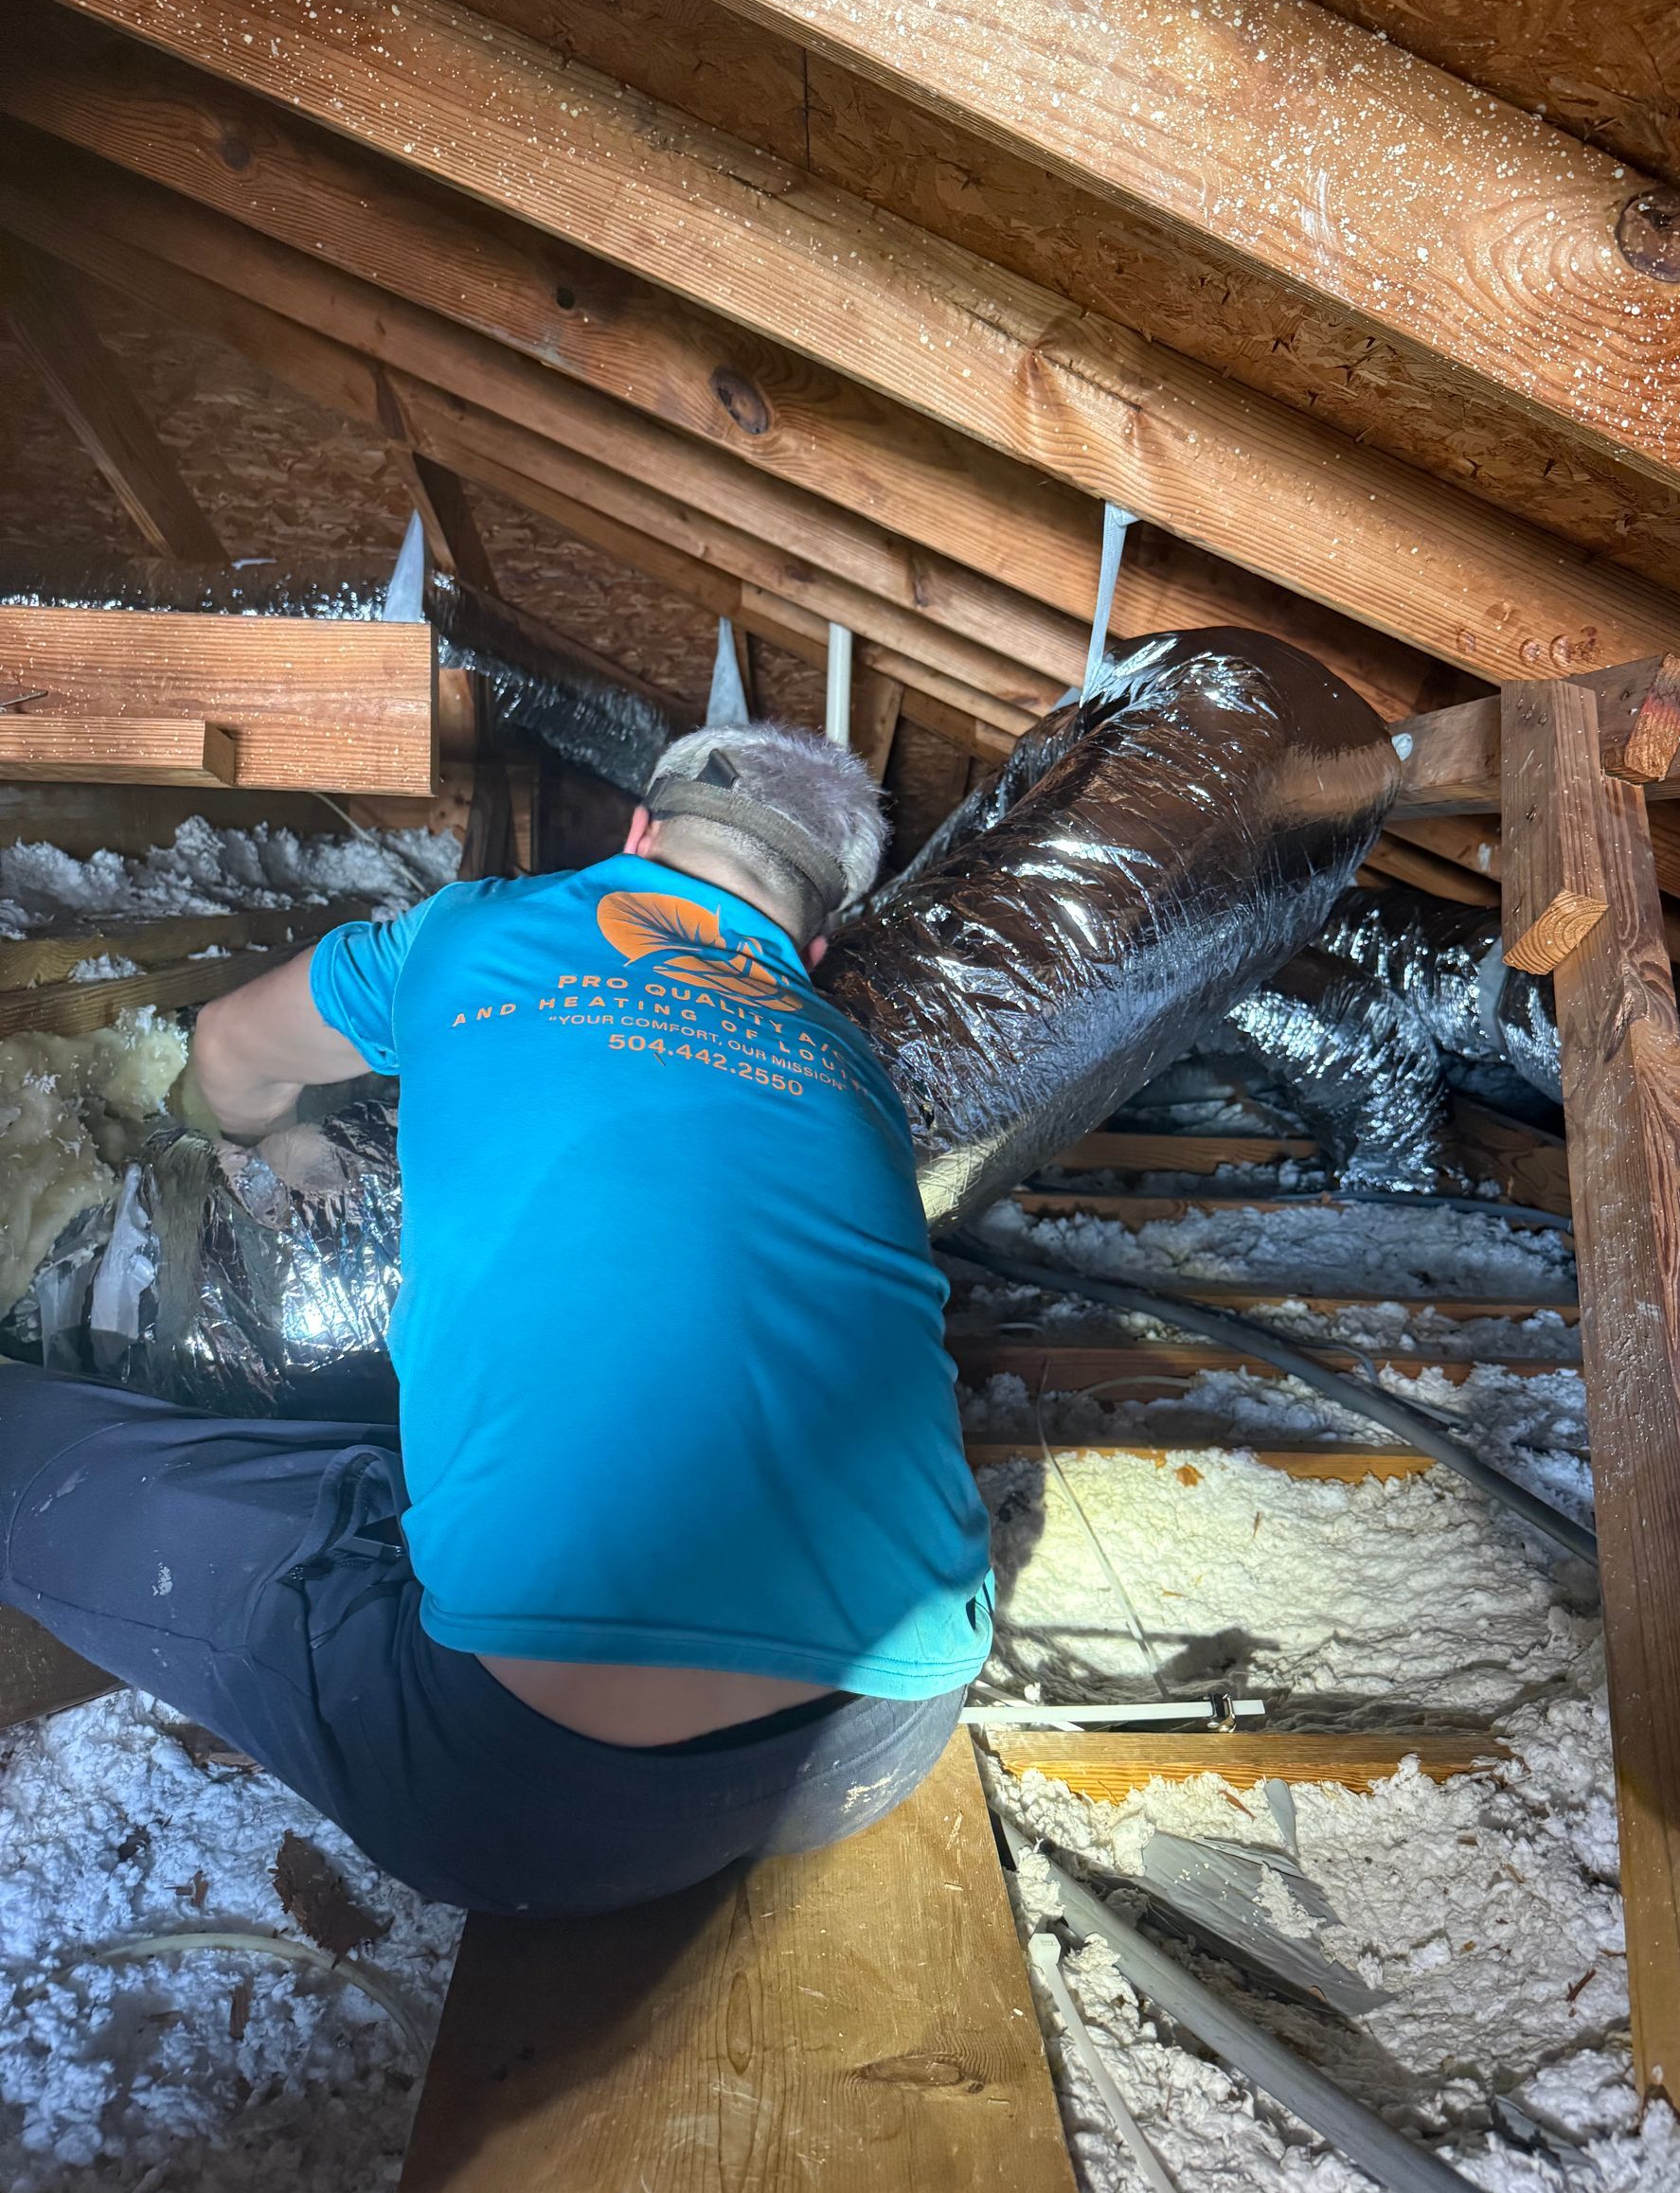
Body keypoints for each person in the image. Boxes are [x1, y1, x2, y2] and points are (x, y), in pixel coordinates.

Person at [0, 723, 992, 1914]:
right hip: (886, 1732)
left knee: (46, 1459)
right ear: (814, 944)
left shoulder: (476, 929)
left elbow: (226, 1048)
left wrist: (224, 1143)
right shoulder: (850, 1059)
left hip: (532, 1790)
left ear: (638, 836)